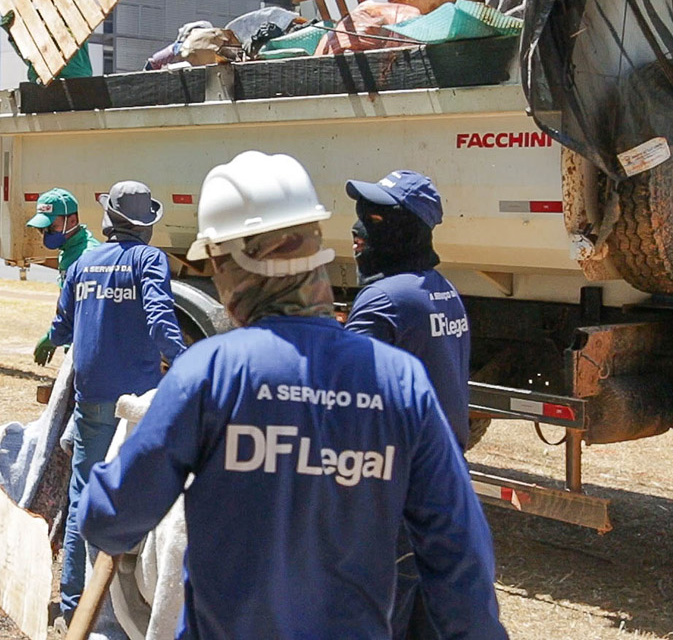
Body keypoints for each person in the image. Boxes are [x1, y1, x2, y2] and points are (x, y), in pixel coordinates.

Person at [79, 151, 505, 639]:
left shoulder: (209, 376)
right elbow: (459, 555)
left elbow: (109, 519)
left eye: (216, 263)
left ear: (231, 263)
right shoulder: (400, 382)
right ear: (314, 248)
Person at [41, 180, 186, 626]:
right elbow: (161, 318)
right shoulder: (148, 259)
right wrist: (186, 363)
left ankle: (74, 606)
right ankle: (124, 615)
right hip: (135, 407)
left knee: (83, 494)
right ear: (146, 225)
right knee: (134, 500)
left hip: (92, 400)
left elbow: (63, 326)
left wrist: (50, 337)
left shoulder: (85, 261)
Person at [344, 169, 472, 640]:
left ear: (407, 228)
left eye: (374, 217)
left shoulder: (382, 300)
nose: (358, 230)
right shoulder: (444, 291)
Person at [28, 187, 100, 367]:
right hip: (73, 339)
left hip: (87, 343)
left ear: (73, 220)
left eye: (52, 227)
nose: (46, 234)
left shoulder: (88, 255)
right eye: (42, 229)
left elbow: (87, 307)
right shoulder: (68, 250)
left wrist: (54, 336)